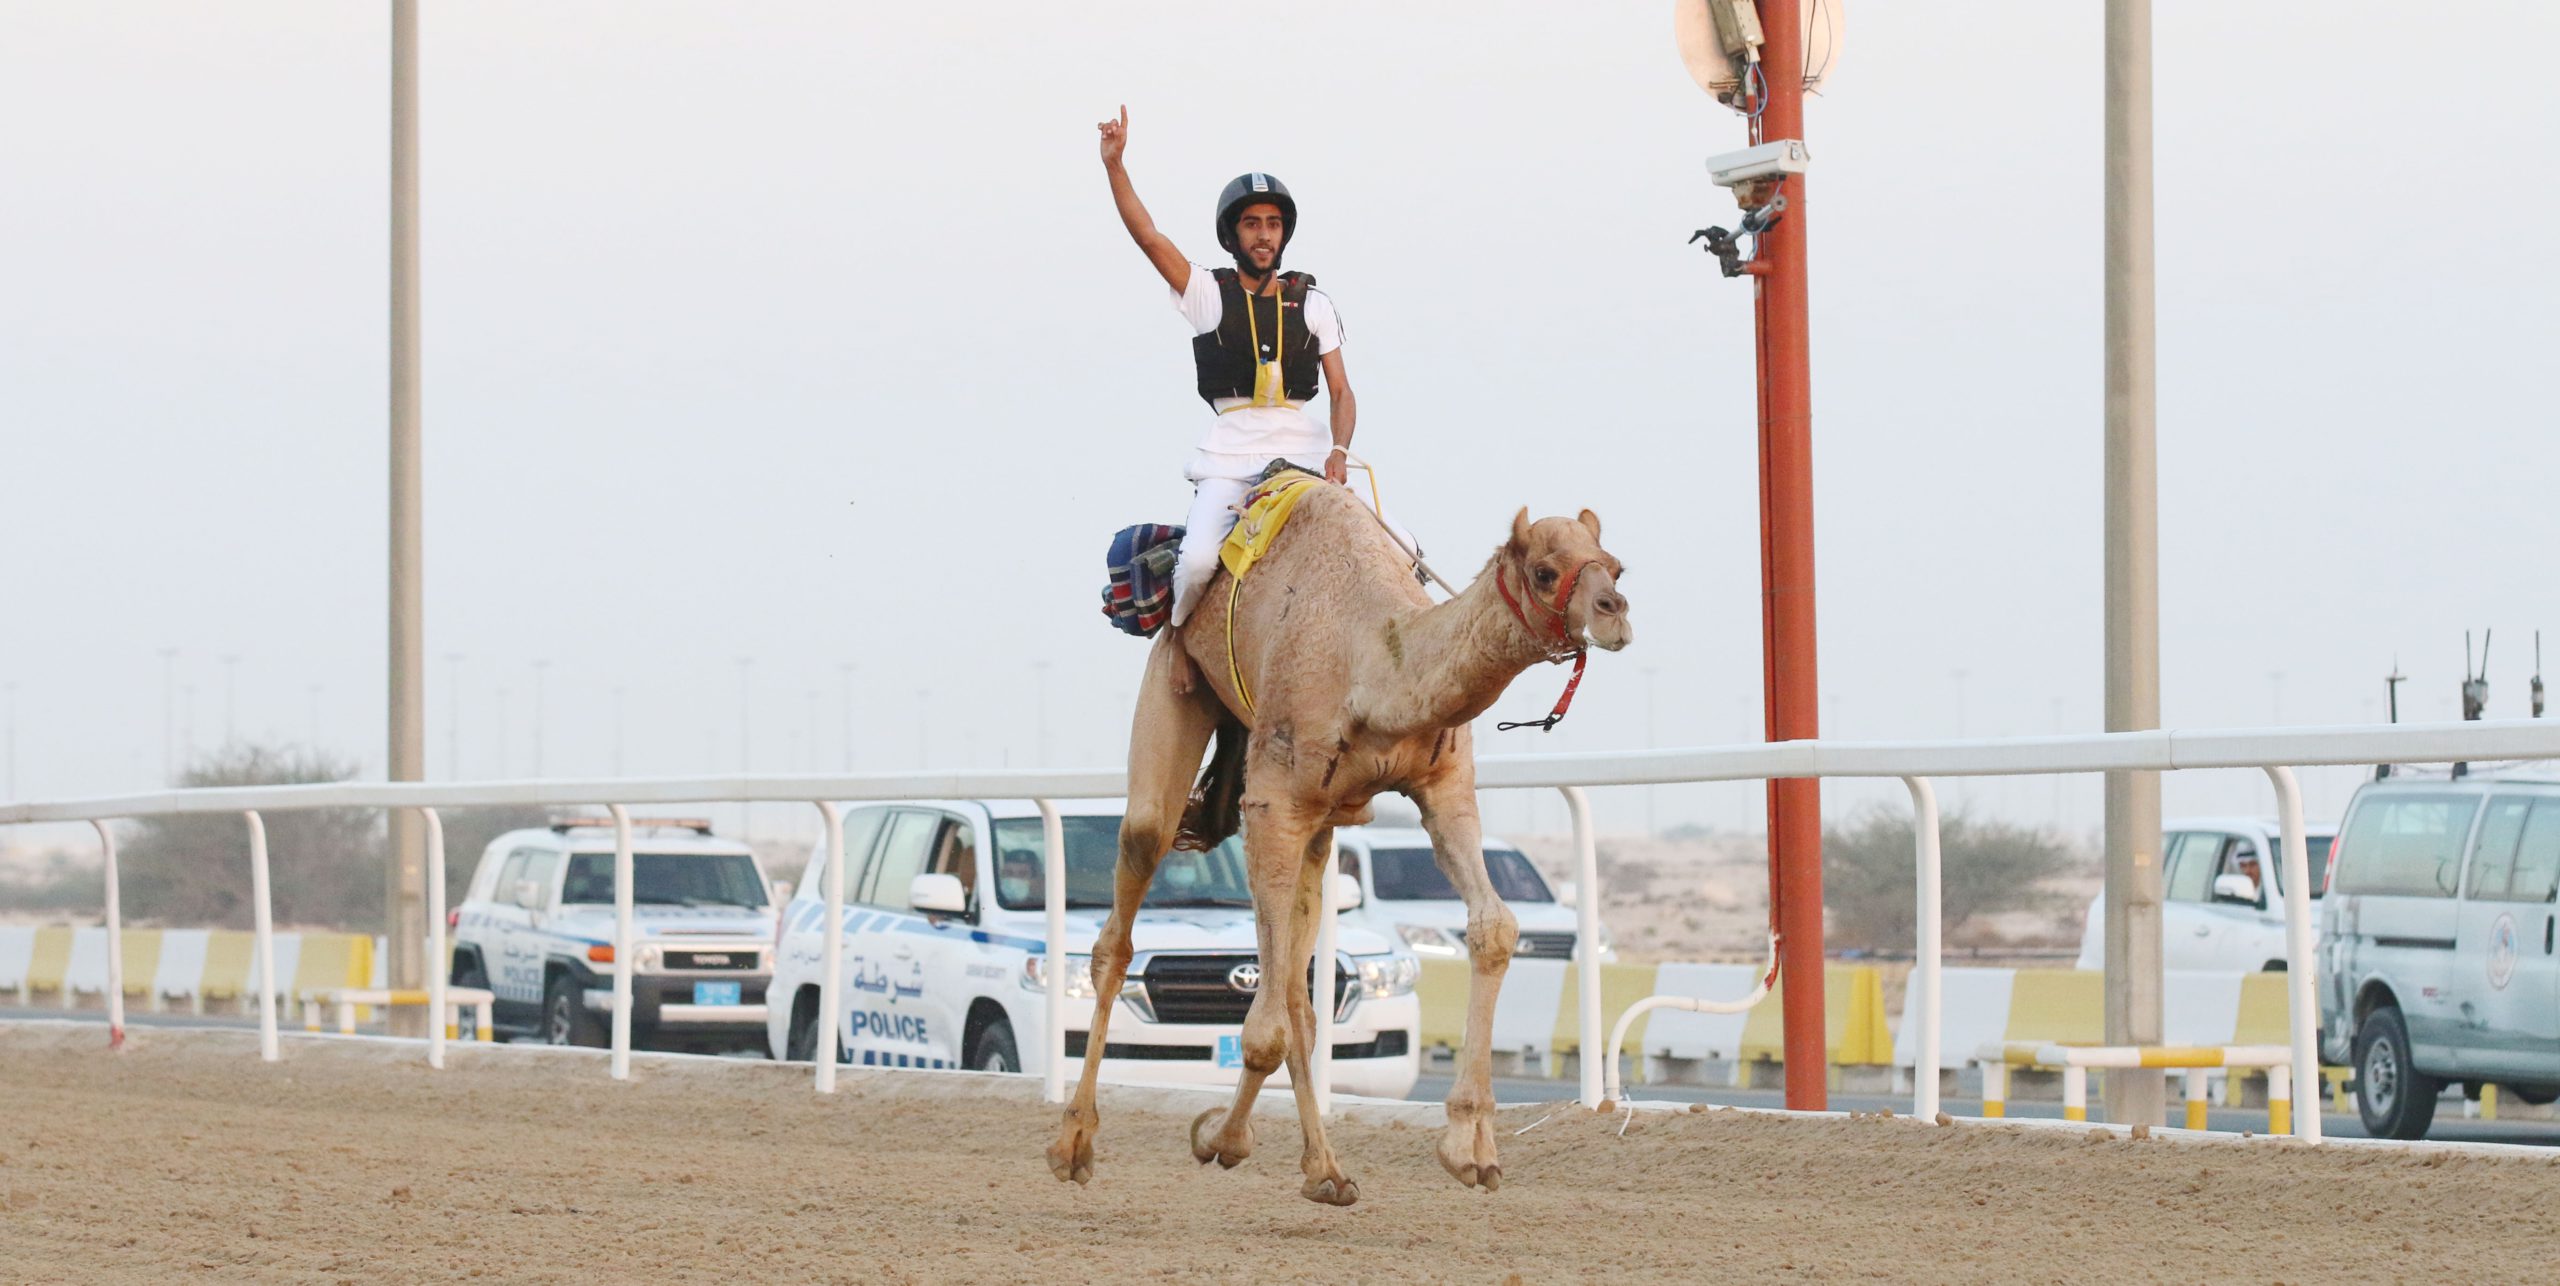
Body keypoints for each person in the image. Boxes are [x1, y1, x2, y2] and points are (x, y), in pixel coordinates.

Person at [1096, 105, 1418, 634]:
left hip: (1308, 452)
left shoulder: (1314, 303)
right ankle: (1178, 645)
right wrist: (1115, 166)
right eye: (1252, 224)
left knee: (1402, 548)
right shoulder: (1206, 295)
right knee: (1199, 562)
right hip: (1231, 456)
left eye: (1272, 224)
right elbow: (1149, 237)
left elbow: (1341, 391)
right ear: (1234, 235)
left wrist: (1338, 452)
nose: (1264, 235)